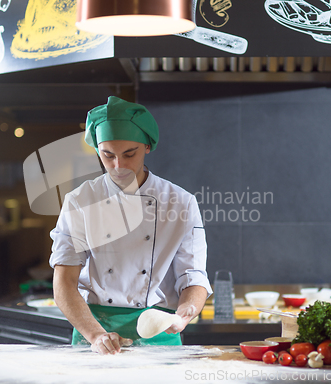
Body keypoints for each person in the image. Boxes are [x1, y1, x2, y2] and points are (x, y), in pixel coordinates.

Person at [50, 96, 212, 355]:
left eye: (129, 154)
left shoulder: (180, 202)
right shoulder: (80, 201)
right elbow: (64, 283)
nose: (119, 166)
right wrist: (96, 336)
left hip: (158, 332)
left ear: (147, 146)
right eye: (108, 155)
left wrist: (186, 311)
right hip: (95, 331)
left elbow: (193, 276)